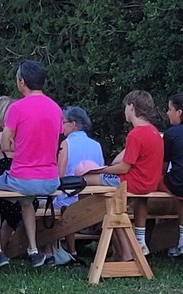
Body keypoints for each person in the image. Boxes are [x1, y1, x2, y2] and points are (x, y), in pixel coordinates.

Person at [0, 61, 61, 272]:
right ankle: (34, 251)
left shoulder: (17, 108)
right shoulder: (56, 108)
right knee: (26, 202)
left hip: (24, 177)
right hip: (51, 179)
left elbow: (7, 143)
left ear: (21, 82)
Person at [84, 90, 164, 258]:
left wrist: (100, 169)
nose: (124, 111)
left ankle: (91, 225)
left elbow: (123, 168)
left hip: (132, 182)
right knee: (120, 205)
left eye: (126, 107)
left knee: (88, 179)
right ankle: (137, 243)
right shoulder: (155, 132)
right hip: (149, 184)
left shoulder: (136, 134)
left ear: (132, 107)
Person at [53, 106, 105, 260]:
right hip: (91, 200)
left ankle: (69, 248)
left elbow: (59, 175)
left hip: (69, 199)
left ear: (74, 124)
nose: (61, 125)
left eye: (64, 122)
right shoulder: (96, 145)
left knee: (47, 203)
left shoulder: (66, 144)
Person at [163, 93, 183, 256]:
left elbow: (163, 165)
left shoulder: (171, 133)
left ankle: (141, 238)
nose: (168, 113)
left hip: (178, 183)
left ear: (179, 112)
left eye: (170, 109)